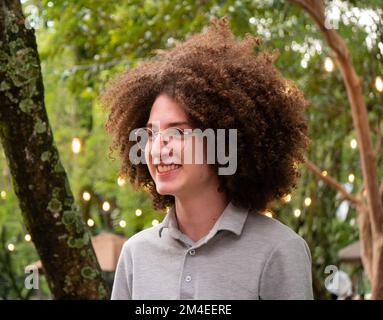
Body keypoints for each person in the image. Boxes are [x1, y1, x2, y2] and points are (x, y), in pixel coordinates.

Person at [101, 16, 313, 300]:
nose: (157, 147)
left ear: (225, 138)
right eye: (150, 134)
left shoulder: (279, 250)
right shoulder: (136, 255)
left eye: (177, 132)